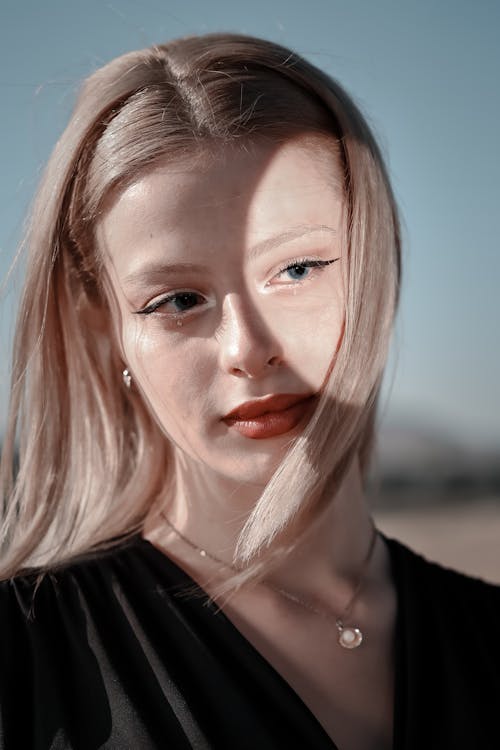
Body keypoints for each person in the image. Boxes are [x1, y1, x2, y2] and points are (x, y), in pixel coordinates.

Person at [0, 31, 498, 750]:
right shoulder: (26, 664)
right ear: (106, 332)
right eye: (176, 301)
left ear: (375, 267)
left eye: (297, 269)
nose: (248, 350)